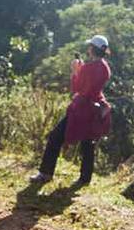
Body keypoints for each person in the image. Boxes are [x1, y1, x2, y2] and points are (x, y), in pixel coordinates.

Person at [29, 35, 112, 187]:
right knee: (88, 143)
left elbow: (77, 88)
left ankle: (45, 173)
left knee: (55, 137)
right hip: (95, 110)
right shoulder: (105, 67)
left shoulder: (88, 68)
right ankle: (85, 179)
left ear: (92, 49)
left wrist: (75, 71)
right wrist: (81, 70)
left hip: (82, 109)